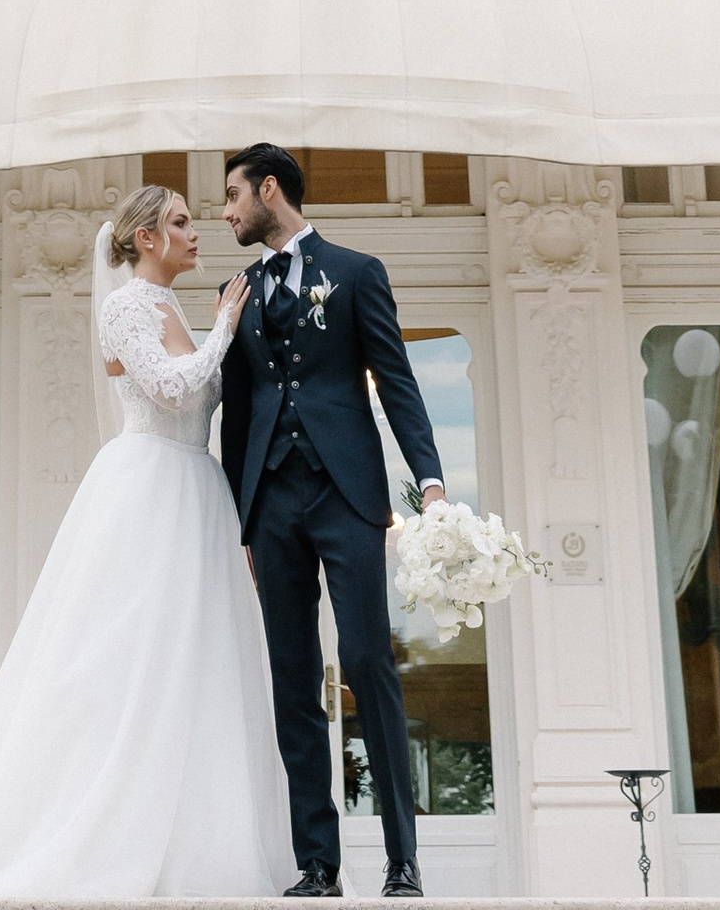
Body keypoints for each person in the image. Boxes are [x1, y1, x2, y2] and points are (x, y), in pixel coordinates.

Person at [0, 181, 291, 900]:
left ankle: (196, 840)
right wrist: (226, 325)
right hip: (151, 487)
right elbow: (166, 387)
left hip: (196, 489)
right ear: (146, 239)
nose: (197, 233)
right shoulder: (127, 304)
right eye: (182, 223)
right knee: (129, 655)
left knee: (198, 658)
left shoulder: (166, 306)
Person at [220, 141, 447, 901]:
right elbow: (240, 411)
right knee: (292, 681)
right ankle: (316, 862)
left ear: (270, 190)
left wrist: (432, 482)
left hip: (346, 496)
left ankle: (402, 858)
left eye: (232, 197)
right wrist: (243, 520)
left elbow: (398, 383)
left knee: (366, 660)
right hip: (272, 504)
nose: (226, 213)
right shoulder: (237, 291)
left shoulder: (356, 273)